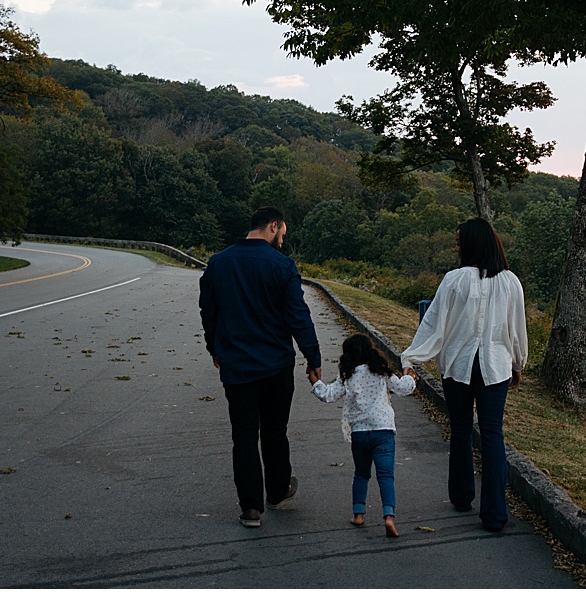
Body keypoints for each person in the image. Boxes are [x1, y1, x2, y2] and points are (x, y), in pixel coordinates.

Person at [400, 217, 527, 533]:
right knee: (492, 434)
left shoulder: (454, 280)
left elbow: (433, 324)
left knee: (460, 429)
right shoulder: (511, 282)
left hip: (457, 367)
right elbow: (517, 329)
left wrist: (411, 357)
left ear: (471, 244)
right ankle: (495, 514)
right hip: (495, 367)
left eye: (458, 242)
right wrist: (517, 363)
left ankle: (461, 495)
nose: (456, 247)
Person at [200, 206, 323, 529]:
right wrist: (313, 357)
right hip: (275, 365)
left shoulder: (218, 263)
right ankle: (278, 490)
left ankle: (251, 508)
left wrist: (214, 347)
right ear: (273, 226)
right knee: (274, 430)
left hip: (236, 366)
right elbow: (298, 315)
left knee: (243, 435)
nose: (283, 238)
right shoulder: (281, 266)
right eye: (283, 232)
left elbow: (208, 311)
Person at [309, 333, 416, 537]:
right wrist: (410, 378)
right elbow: (402, 388)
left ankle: (358, 514)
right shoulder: (381, 372)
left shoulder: (348, 377)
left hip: (359, 434)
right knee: (386, 476)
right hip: (383, 431)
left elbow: (328, 395)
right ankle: (389, 517)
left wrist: (315, 382)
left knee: (361, 474)